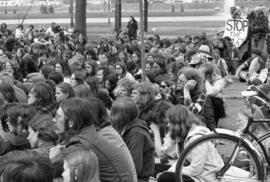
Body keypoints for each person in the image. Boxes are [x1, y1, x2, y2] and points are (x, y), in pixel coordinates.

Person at [50, 97, 137, 182]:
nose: (54, 120)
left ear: (71, 122)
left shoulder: (81, 143)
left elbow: (47, 170)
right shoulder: (88, 134)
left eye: (58, 117)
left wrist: (52, 157)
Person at [111, 97, 155, 182]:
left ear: (121, 116)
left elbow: (134, 167)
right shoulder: (130, 128)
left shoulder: (136, 134)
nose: (111, 117)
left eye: (113, 113)